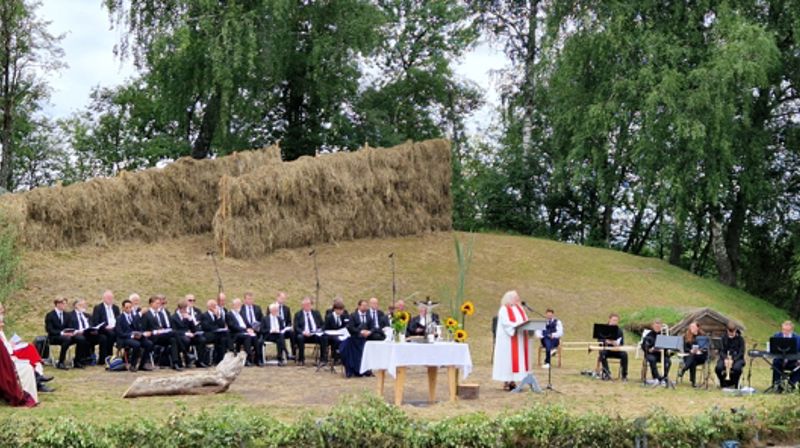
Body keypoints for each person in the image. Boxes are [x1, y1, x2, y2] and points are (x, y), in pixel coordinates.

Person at [0, 302, 52, 388]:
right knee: (27, 352)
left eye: (2, 308)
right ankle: (37, 378)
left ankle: (38, 375)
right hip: (5, 355)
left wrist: (10, 343)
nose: (2, 311)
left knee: (29, 347)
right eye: (0, 309)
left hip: (7, 348)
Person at [492, 290, 536, 391]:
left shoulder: (520, 309)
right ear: (510, 298)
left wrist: (526, 326)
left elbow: (525, 321)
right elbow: (506, 323)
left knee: (518, 360)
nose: (518, 299)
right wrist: (516, 326)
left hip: (519, 338)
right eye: (516, 297)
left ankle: (514, 381)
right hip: (508, 340)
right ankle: (506, 381)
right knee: (508, 361)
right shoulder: (504, 309)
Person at [142, 296, 183, 371]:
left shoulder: (160, 314)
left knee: (173, 340)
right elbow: (144, 329)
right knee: (174, 333)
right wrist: (154, 332)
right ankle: (185, 352)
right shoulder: (146, 314)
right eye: (157, 303)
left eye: (159, 303)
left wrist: (162, 330)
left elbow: (163, 326)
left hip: (162, 335)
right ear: (151, 304)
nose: (158, 305)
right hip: (152, 337)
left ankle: (175, 362)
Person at [115, 299, 154, 372]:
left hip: (135, 336)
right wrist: (131, 335)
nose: (129, 309)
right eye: (127, 307)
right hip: (125, 338)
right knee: (136, 345)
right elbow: (120, 333)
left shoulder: (134, 316)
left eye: (130, 307)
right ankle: (133, 365)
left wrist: (142, 333)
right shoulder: (119, 318)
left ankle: (142, 364)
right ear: (123, 308)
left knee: (149, 344)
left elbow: (139, 327)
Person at [171, 299, 208, 368]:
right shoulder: (174, 318)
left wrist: (191, 320)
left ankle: (200, 360)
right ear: (180, 309)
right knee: (186, 340)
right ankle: (187, 358)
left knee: (202, 340)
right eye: (185, 309)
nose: (186, 310)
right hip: (181, 336)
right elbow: (174, 331)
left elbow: (194, 329)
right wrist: (185, 333)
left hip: (190, 335)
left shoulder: (187, 316)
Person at [293, 297, 328, 366]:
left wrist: (319, 330)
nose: (307, 306)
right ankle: (301, 359)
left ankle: (323, 360)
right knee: (300, 337)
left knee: (324, 337)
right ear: (302, 306)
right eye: (305, 305)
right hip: (304, 335)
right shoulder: (298, 315)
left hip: (315, 334)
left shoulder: (316, 313)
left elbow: (323, 324)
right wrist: (303, 332)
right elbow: (296, 327)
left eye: (309, 305)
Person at [44, 297, 76, 370]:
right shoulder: (50, 315)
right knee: (67, 339)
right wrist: (62, 333)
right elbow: (49, 329)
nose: (64, 305)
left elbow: (70, 326)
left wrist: (71, 332)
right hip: (54, 337)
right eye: (63, 304)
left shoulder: (67, 315)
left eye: (65, 304)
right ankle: (61, 362)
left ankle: (79, 360)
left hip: (67, 336)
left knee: (80, 338)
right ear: (57, 304)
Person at [227, 298, 259, 366]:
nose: (239, 306)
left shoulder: (241, 314)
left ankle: (258, 358)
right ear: (233, 305)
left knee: (254, 336)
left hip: (244, 332)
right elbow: (233, 327)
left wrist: (250, 329)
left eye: (240, 305)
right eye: (238, 305)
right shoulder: (229, 314)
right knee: (247, 336)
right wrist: (245, 330)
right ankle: (248, 358)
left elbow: (247, 324)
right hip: (235, 334)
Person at [69, 298, 100, 368]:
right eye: (82, 305)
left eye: (85, 305)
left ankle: (92, 358)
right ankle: (78, 360)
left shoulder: (87, 315)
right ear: (76, 306)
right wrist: (77, 331)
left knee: (102, 337)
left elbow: (92, 325)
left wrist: (93, 330)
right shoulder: (70, 315)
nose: (84, 306)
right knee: (82, 339)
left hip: (87, 333)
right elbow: (69, 327)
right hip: (76, 334)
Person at [769, 320, 800, 390]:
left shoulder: (798, 338)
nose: (785, 332)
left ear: (792, 330)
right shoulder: (777, 336)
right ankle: (776, 385)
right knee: (776, 363)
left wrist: (799, 360)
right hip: (780, 360)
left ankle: (792, 384)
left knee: (799, 367)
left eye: (787, 330)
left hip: (793, 361)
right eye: (783, 330)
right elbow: (773, 350)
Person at [597, 312, 628, 382]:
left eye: (616, 320)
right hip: (606, 350)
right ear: (609, 320)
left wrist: (617, 344)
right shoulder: (603, 328)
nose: (615, 322)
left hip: (616, 350)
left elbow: (622, 343)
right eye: (613, 320)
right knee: (602, 353)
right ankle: (607, 373)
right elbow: (599, 340)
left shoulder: (619, 330)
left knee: (624, 354)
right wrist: (607, 341)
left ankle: (624, 375)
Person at [91, 290, 120, 362]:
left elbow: (119, 320)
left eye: (111, 298)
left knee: (116, 333)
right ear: (103, 298)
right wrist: (105, 327)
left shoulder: (115, 308)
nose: (110, 300)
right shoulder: (98, 308)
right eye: (108, 298)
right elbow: (96, 322)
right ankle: (107, 356)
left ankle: (111, 356)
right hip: (102, 329)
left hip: (114, 328)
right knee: (109, 335)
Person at [201, 299, 231, 365]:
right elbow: (206, 327)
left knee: (224, 338)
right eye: (213, 306)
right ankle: (230, 351)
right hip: (208, 334)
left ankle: (221, 359)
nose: (215, 307)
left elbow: (222, 325)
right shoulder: (204, 315)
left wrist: (218, 316)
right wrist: (216, 328)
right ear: (209, 307)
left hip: (217, 334)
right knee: (222, 336)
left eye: (215, 306)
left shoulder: (216, 315)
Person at [678, 321, 707, 387]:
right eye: (691, 327)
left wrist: (700, 350)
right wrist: (691, 350)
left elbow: (705, 348)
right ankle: (693, 382)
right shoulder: (686, 336)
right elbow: (685, 349)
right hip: (689, 355)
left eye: (693, 327)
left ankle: (684, 369)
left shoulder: (703, 336)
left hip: (700, 356)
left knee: (693, 357)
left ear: (698, 327)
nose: (692, 328)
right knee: (693, 360)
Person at [642, 319, 671, 385]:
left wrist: (664, 348)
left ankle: (664, 378)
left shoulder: (664, 335)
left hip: (661, 354)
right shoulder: (649, 335)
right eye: (656, 326)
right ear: (653, 326)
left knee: (668, 361)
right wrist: (649, 349)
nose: (657, 328)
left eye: (659, 326)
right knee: (652, 360)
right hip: (651, 354)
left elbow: (667, 346)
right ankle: (656, 378)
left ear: (661, 327)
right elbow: (644, 346)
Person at [275, 292, 296, 359]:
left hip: (285, 329)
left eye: (284, 299)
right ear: (277, 298)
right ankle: (284, 353)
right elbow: (269, 320)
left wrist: (288, 327)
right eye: (281, 298)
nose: (283, 300)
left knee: (292, 333)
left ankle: (294, 353)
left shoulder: (286, 309)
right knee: (280, 335)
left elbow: (289, 321)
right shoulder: (272, 307)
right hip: (276, 329)